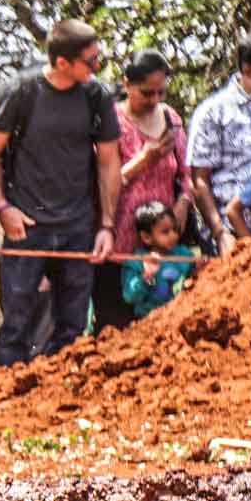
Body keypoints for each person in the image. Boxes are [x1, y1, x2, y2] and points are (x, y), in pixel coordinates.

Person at [0, 19, 123, 367]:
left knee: (72, 329)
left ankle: (63, 406)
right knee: (16, 327)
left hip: (78, 227)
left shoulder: (96, 96)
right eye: (91, 61)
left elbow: (108, 161)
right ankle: (7, 402)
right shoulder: (22, 92)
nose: (98, 67)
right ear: (62, 63)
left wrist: (106, 225)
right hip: (27, 226)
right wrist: (2, 208)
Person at [94, 50, 189, 330]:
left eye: (161, 93)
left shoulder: (171, 119)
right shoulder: (110, 120)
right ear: (127, 84)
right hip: (121, 239)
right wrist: (144, 161)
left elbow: (187, 173)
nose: (155, 101)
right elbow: (100, 179)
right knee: (117, 323)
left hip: (163, 237)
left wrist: (183, 203)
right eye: (147, 93)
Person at [188, 23, 251, 256]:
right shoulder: (214, 112)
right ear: (248, 69)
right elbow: (200, 181)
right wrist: (221, 233)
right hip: (235, 235)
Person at [120, 201, 202, 319]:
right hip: (149, 321)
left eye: (175, 229)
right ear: (146, 237)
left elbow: (192, 280)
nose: (173, 235)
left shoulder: (184, 254)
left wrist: (198, 269)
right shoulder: (136, 262)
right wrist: (146, 276)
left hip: (180, 316)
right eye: (165, 232)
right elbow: (129, 297)